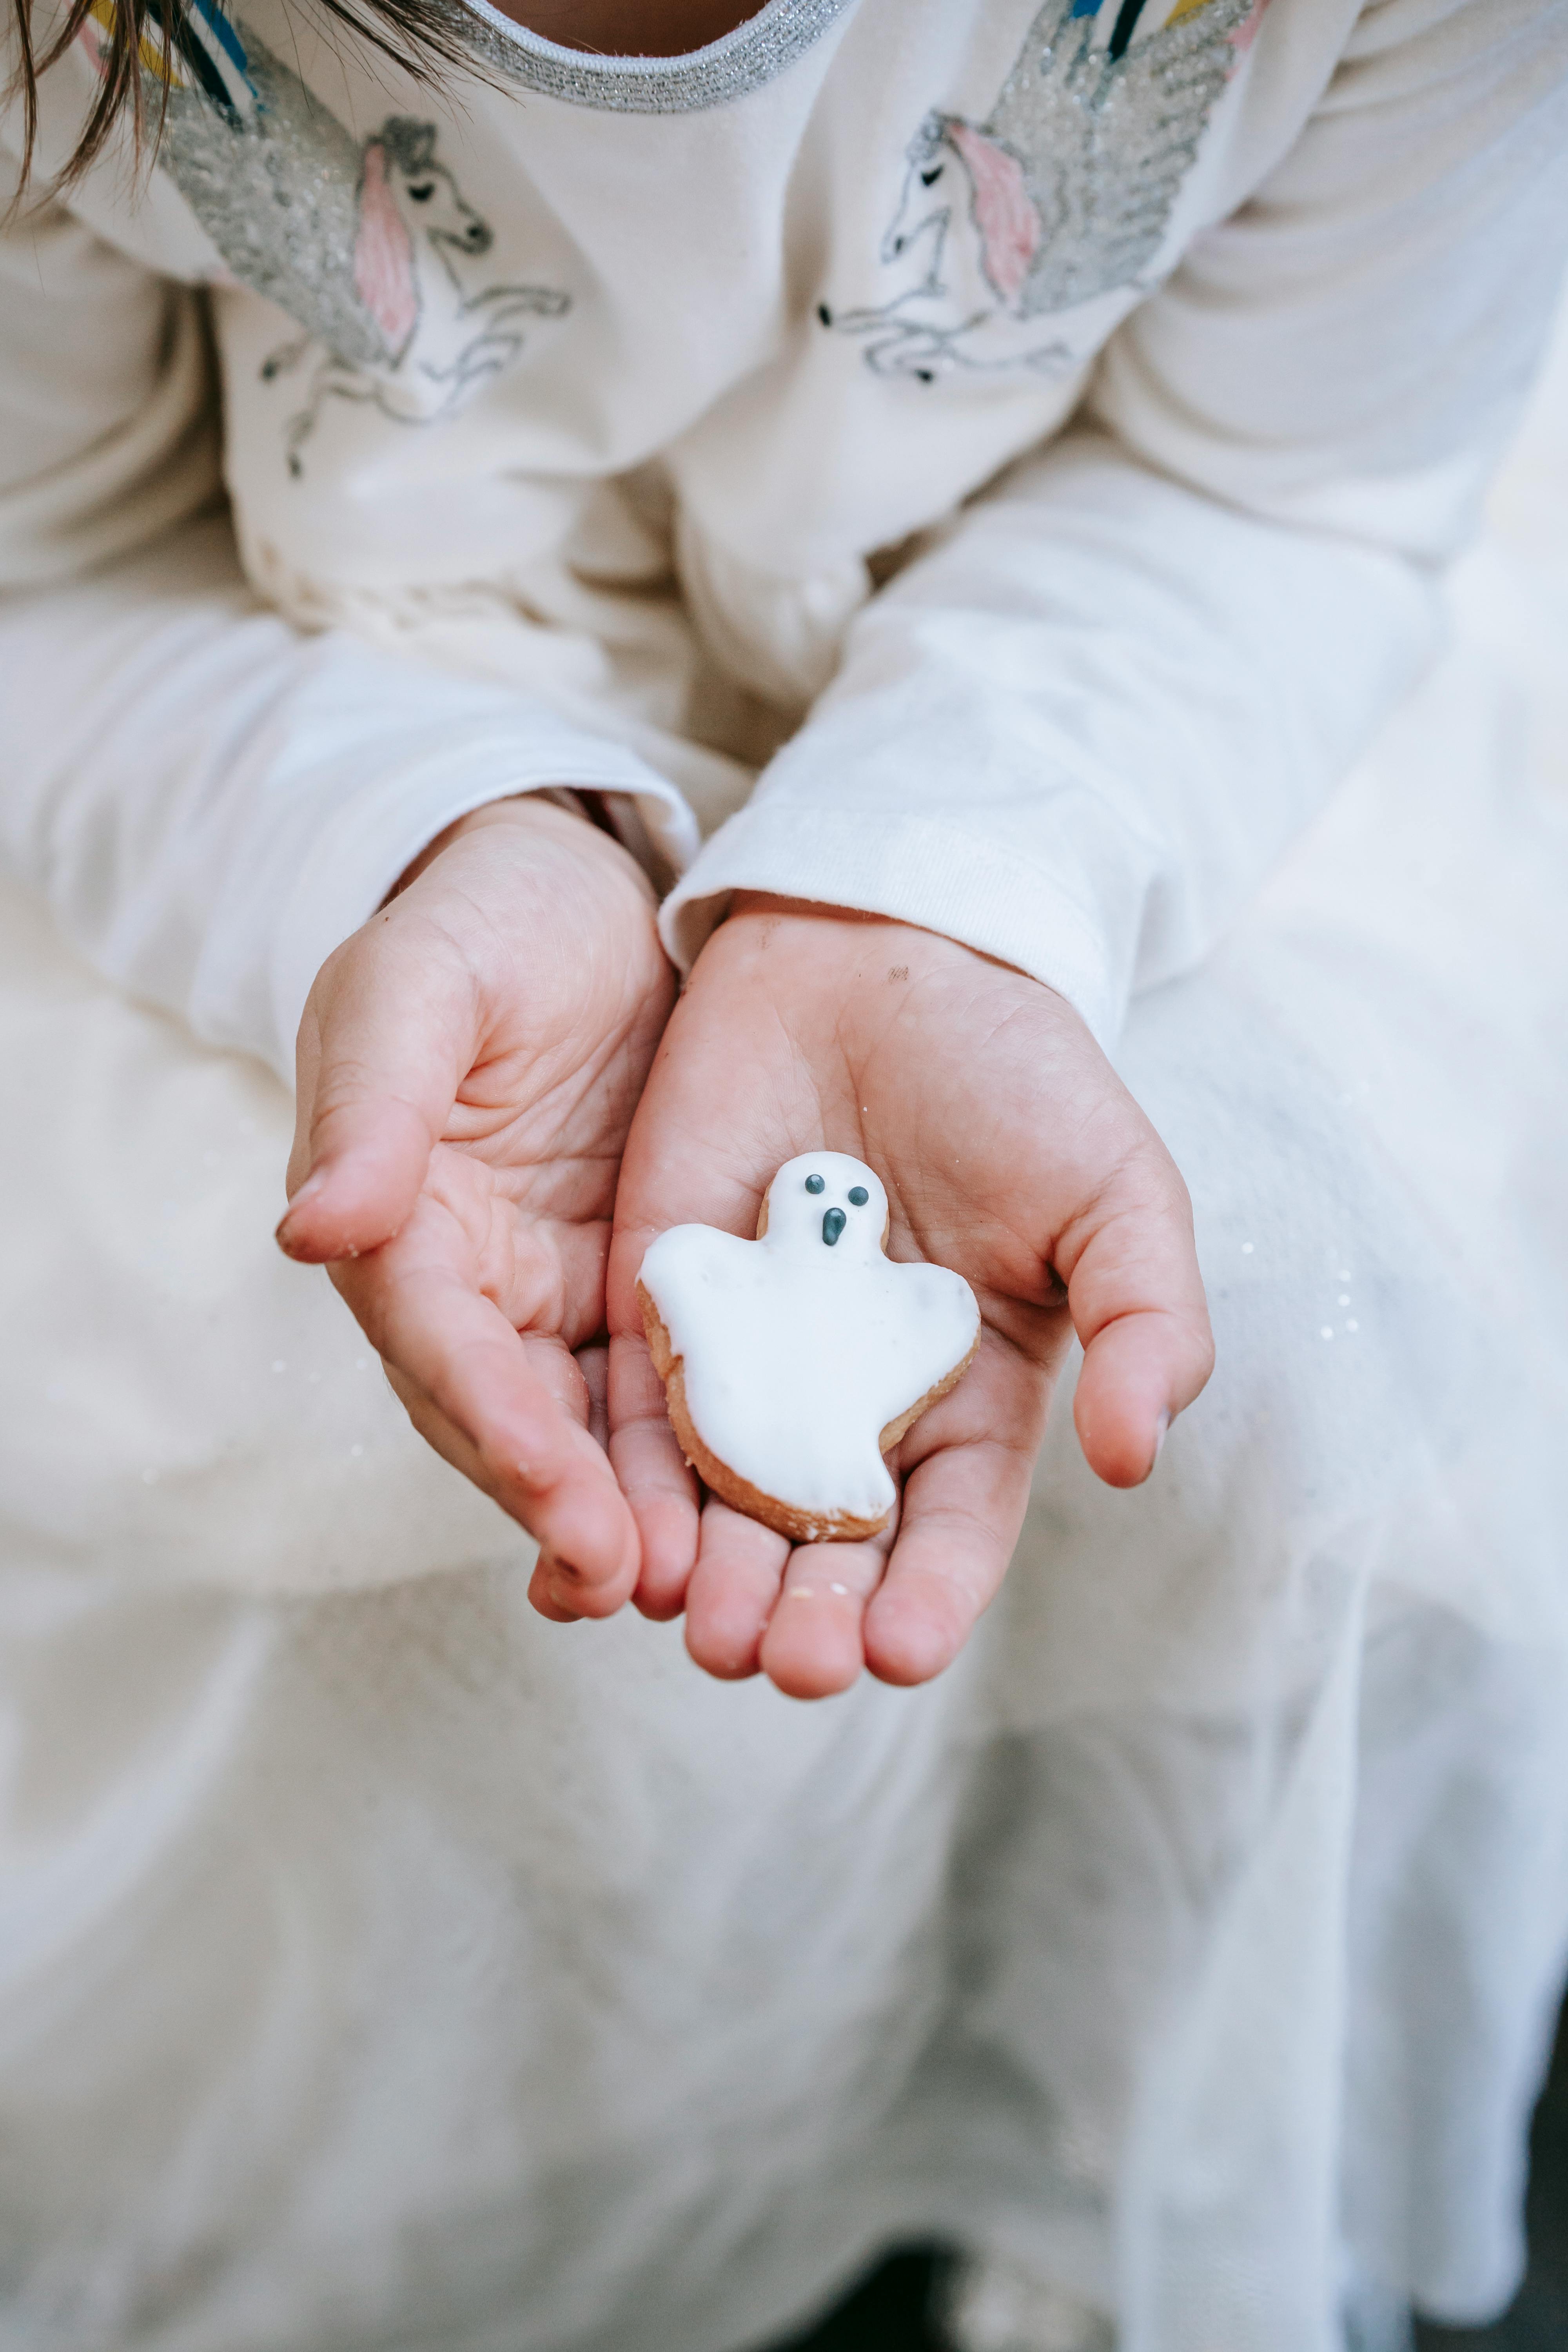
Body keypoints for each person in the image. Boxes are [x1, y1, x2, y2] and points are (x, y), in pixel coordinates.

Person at [2, 0, 1566, 2345]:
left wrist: (939, 886)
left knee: (1289, 1373)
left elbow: (1286, 491)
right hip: (294, 717)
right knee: (258, 1415)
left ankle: (1091, 2111)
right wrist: (433, 831)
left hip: (1111, 686)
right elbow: (54, 569)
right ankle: (462, 2170)